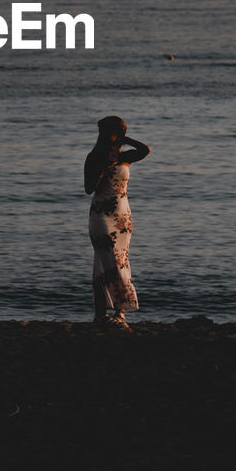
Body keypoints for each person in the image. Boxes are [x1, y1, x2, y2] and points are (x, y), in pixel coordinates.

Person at [84, 116, 151, 329]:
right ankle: (101, 313)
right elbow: (89, 188)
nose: (111, 138)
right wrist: (105, 166)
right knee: (106, 260)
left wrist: (126, 140)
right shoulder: (94, 157)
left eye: (116, 134)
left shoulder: (125, 157)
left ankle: (118, 313)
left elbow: (146, 150)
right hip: (101, 216)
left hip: (122, 217)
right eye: (110, 133)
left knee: (120, 261)